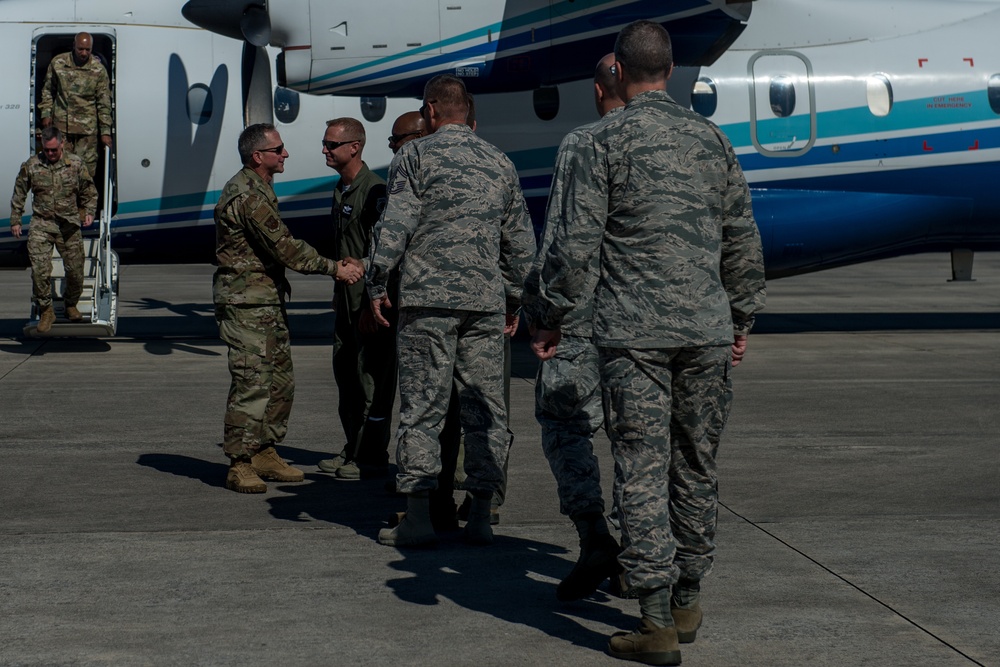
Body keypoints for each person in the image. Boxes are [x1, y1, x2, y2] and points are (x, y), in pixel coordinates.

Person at [525, 21, 765, 665]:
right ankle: (688, 598)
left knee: (641, 465)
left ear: (620, 72)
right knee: (696, 463)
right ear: (670, 69)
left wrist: (549, 315)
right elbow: (741, 237)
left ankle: (655, 619)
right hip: (706, 332)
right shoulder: (712, 140)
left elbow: (573, 245)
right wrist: (739, 318)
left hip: (635, 336)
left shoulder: (595, 141)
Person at [367, 74, 536, 548]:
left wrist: (377, 282)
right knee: (485, 410)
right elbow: (521, 244)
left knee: (423, 409)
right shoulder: (499, 162)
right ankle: (480, 514)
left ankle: (418, 516)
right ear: (468, 112)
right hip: (483, 305)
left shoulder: (414, 156)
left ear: (431, 112)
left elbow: (395, 225)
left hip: (427, 303)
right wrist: (513, 299)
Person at [522, 52, 625, 603]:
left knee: (564, 422)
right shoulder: (699, 140)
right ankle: (640, 554)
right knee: (642, 438)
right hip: (654, 323)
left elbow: (563, 240)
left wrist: (544, 316)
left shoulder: (583, 145)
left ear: (596, 90)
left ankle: (594, 539)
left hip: (584, 321)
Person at [214, 123, 364, 494]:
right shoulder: (247, 195)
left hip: (264, 301)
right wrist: (335, 268)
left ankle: (264, 449)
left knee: (279, 381)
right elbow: (285, 247)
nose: (285, 154)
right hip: (246, 304)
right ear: (258, 157)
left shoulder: (260, 189)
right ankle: (240, 462)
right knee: (252, 383)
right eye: (278, 149)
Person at [315, 117, 395, 480]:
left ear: (354, 147)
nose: (325, 150)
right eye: (325, 143)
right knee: (346, 376)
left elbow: (380, 254)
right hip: (345, 302)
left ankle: (371, 455)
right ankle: (353, 448)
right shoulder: (342, 188)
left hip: (367, 304)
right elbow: (343, 248)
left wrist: (368, 304)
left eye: (332, 144)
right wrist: (338, 294)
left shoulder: (375, 191)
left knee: (369, 380)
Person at [9, 126, 97, 333]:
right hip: (42, 224)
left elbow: (89, 190)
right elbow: (19, 192)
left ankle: (70, 304)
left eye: (53, 150)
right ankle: (47, 310)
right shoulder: (32, 165)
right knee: (40, 272)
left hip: (69, 225)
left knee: (75, 271)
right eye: (46, 150)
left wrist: (90, 210)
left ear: (62, 144)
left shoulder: (75, 164)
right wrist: (16, 219)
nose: (50, 154)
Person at [38, 33, 113, 180]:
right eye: (80, 49)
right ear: (74, 46)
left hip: (87, 131)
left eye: (87, 49)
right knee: (61, 170)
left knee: (85, 173)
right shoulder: (58, 63)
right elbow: (47, 90)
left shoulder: (98, 70)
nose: (84, 53)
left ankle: (84, 203)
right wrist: (46, 113)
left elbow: (103, 102)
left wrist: (105, 131)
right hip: (62, 128)